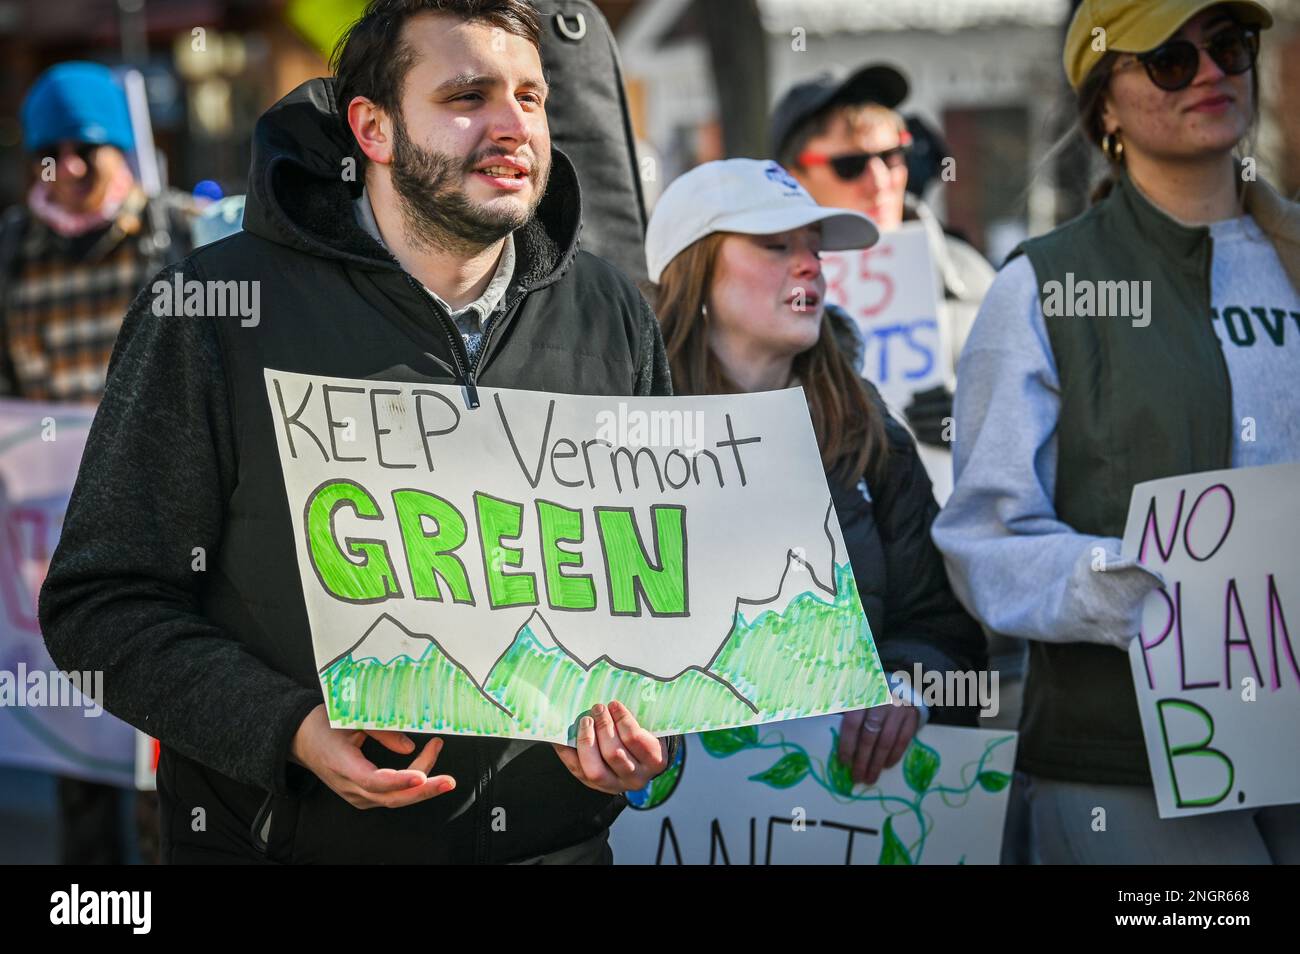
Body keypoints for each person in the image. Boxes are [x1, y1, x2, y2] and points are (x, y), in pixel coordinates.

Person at [39, 0, 676, 865]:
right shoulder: (214, 313)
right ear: (372, 128)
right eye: (466, 96)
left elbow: (657, 610)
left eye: (531, 97)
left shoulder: (614, 316)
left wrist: (634, 744)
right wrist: (289, 730)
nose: (512, 127)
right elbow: (101, 607)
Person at [932, 0, 1300, 863]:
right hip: (1127, 761)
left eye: (1230, 46)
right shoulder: (1042, 287)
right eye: (1170, 59)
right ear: (1105, 104)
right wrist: (1150, 591)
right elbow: (984, 542)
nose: (1211, 72)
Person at [645, 158, 987, 784]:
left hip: (833, 811)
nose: (809, 265)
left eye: (815, 249)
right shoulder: (613, 433)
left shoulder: (866, 429)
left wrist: (908, 692)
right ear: (691, 269)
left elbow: (944, 633)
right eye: (775, 245)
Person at [0, 61, 197, 865]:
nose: (71, 169)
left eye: (87, 147)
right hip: (53, 532)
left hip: (171, 519)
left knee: (173, 736)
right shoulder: (10, 255)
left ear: (120, 146)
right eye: (52, 153)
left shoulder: (179, 235)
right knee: (79, 745)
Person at [769, 63, 995, 449]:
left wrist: (978, 422)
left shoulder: (973, 277)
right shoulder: (757, 293)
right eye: (850, 165)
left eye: (892, 156)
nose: (879, 181)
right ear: (791, 176)